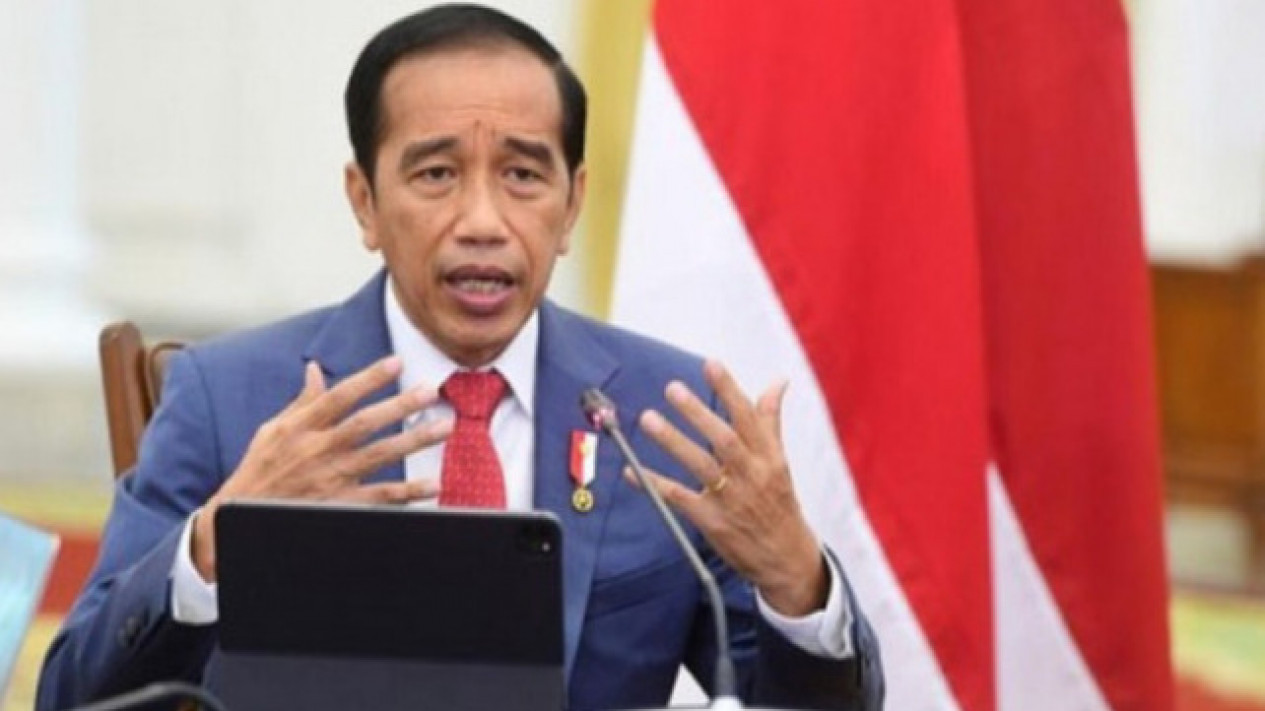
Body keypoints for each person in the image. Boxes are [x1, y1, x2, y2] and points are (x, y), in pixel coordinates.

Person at [37, 4, 883, 710]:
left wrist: (797, 587)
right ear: (364, 203)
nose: (482, 221)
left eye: (522, 176)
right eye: (437, 174)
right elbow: (72, 693)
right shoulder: (230, 399)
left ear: (571, 204)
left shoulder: (659, 415)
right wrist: (217, 544)